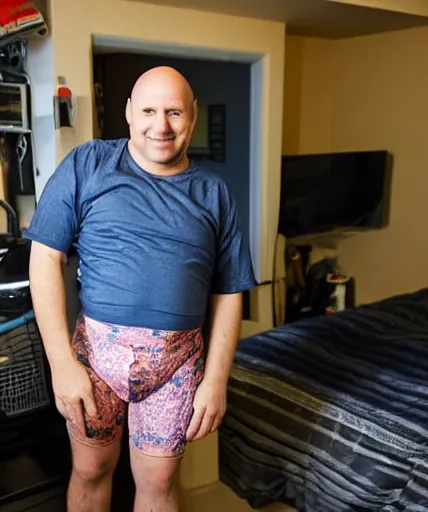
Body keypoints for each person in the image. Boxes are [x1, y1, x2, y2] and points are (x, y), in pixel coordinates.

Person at [24, 66, 257, 512]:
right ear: (130, 113)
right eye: (149, 110)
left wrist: (216, 381)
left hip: (177, 365)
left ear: (193, 116)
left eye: (174, 112)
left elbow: (229, 293)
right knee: (90, 471)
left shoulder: (214, 193)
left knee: (160, 484)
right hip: (94, 359)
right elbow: (44, 259)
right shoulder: (87, 164)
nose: (161, 126)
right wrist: (61, 364)